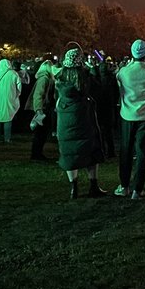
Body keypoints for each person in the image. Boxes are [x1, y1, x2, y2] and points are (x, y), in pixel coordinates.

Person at [55, 47, 106, 198]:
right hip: (84, 119)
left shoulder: (60, 79)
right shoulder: (85, 77)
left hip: (65, 120)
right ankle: (93, 185)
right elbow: (99, 90)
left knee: (69, 153)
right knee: (91, 151)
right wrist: (94, 70)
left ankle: (74, 187)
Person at [114, 39, 145, 199]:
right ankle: (138, 189)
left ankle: (124, 185)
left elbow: (118, 79)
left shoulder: (124, 72)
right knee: (142, 153)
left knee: (126, 151)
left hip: (127, 115)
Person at [28, 56, 59, 162]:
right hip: (43, 109)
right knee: (40, 133)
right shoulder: (44, 79)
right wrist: (39, 110)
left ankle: (37, 154)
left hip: (44, 108)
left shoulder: (45, 78)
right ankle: (36, 154)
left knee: (42, 133)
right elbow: (38, 95)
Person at [0, 58, 21, 144]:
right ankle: (7, 138)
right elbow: (19, 86)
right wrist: (16, 94)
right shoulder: (14, 73)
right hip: (9, 98)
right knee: (8, 117)